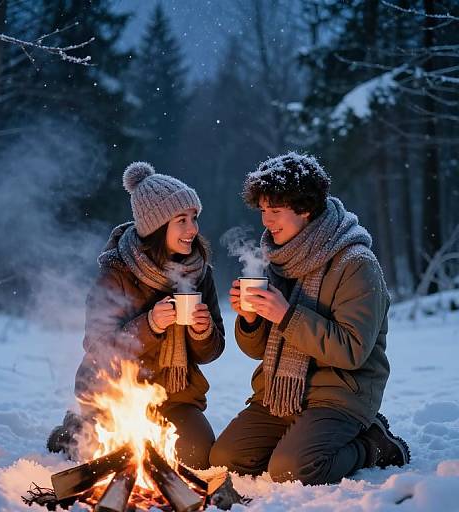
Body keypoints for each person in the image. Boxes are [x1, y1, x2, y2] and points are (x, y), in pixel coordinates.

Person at [209, 151, 410, 485]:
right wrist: (250, 320)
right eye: (262, 211)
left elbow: (352, 351)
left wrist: (286, 316)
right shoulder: (279, 259)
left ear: (304, 208)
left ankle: (373, 445)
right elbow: (258, 350)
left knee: (293, 470)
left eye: (275, 211)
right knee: (227, 458)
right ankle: (301, 437)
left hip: (340, 393)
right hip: (280, 391)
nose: (266, 221)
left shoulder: (356, 263)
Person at [47, 161, 225, 469]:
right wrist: (151, 324)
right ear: (156, 226)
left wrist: (203, 330)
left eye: (194, 217)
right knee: (109, 456)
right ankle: (74, 428)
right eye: (181, 220)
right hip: (114, 391)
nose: (193, 229)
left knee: (196, 458)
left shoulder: (200, 273)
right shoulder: (116, 273)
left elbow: (213, 351)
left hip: (174, 396)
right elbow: (99, 347)